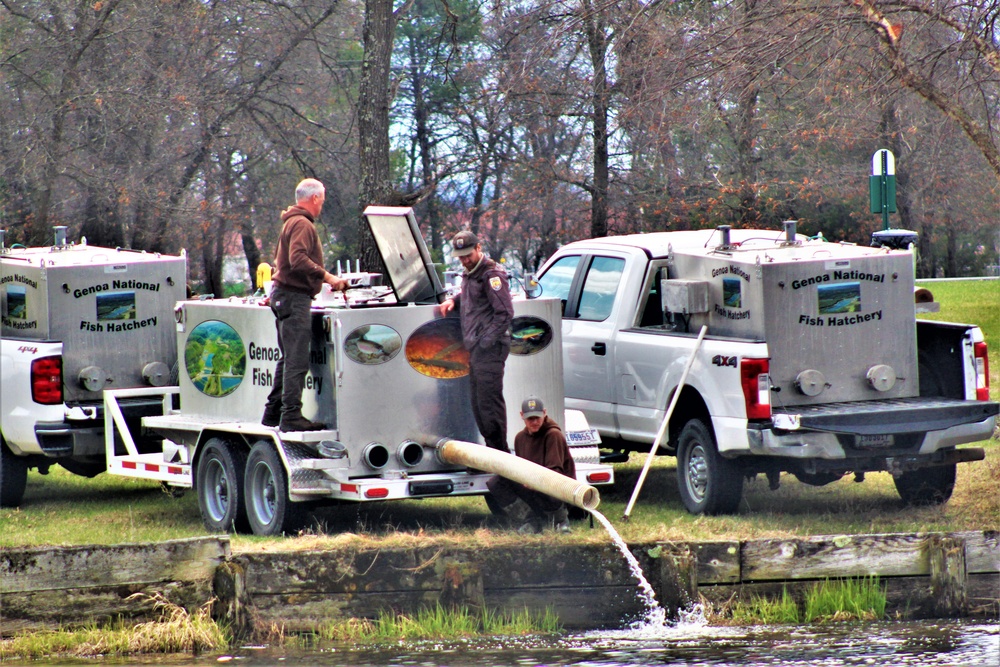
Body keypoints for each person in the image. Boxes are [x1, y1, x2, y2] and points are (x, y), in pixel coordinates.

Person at [262, 178, 348, 432]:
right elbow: (297, 259)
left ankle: (272, 413)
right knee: (297, 361)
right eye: (322, 198)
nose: (322, 203)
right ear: (314, 198)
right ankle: (290, 417)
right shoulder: (301, 224)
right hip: (293, 298)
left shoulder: (292, 221)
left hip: (284, 295)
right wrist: (329, 277)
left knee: (287, 359)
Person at [436, 230, 514, 452]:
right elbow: (473, 297)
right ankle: (492, 454)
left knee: (489, 407)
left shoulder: (491, 274)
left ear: (479, 248)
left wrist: (485, 342)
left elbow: (505, 313)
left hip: (489, 348)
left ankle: (500, 457)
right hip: (478, 348)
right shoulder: (471, 274)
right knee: (479, 406)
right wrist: (454, 300)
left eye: (468, 255)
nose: (465, 260)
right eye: (460, 256)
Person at [487, 396, 575, 533]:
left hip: (555, 488)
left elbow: (555, 473)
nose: (534, 422)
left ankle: (560, 521)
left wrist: (535, 481)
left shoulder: (553, 435)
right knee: (496, 482)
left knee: (551, 482)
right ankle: (531, 520)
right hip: (532, 486)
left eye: (537, 418)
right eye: (530, 419)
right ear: (522, 416)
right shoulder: (520, 438)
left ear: (544, 413)